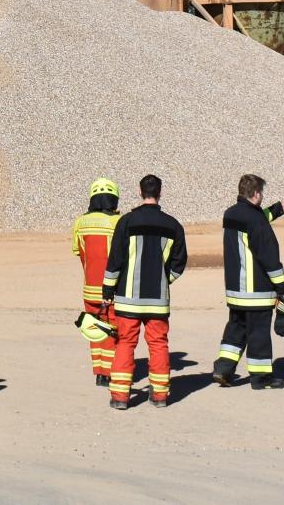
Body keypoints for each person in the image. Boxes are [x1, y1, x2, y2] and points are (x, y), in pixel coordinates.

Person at [101, 174, 187, 410]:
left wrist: (108, 289)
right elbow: (179, 264)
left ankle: (120, 397)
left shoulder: (126, 222)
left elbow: (115, 260)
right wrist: (163, 280)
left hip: (128, 299)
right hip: (158, 301)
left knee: (125, 344)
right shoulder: (173, 225)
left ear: (140, 192)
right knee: (158, 344)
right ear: (161, 193)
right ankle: (159, 396)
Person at [213, 174, 284, 390]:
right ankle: (261, 379)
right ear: (257, 194)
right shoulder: (256, 220)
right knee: (258, 333)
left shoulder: (231, 214)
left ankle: (223, 369)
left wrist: (276, 210)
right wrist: (282, 286)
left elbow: (252, 220)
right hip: (256, 290)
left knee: (235, 330)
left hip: (235, 290)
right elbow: (268, 255)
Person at [71, 178, 121, 386]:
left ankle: (99, 372)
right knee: (112, 329)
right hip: (113, 288)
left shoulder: (80, 222)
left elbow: (78, 252)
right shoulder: (116, 222)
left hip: (89, 288)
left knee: (94, 328)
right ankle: (109, 372)